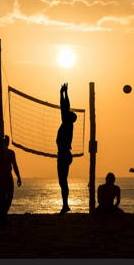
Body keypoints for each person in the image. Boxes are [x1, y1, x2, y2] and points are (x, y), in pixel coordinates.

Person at [56, 83, 77, 216]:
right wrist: (64, 93)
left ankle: (65, 206)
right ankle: (65, 205)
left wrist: (62, 93)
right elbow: (65, 108)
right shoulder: (68, 123)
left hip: (64, 155)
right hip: (65, 154)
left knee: (62, 181)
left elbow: (64, 107)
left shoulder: (67, 123)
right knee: (63, 181)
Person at [0, 135, 21, 218]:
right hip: (0, 177)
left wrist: (18, 177)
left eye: (7, 141)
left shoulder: (11, 152)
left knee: (10, 196)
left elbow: (14, 165)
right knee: (1, 196)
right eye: (5, 141)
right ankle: (1, 214)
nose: (7, 143)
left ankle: (4, 212)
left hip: (8, 176)